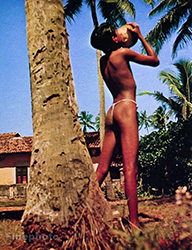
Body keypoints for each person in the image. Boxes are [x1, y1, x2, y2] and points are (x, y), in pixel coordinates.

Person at [90, 22, 159, 228]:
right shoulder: (122, 53)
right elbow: (154, 60)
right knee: (130, 168)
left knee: (102, 169)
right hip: (126, 108)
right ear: (113, 39)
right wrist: (140, 35)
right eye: (115, 34)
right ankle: (135, 221)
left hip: (112, 111)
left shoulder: (104, 61)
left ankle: (83, 211)